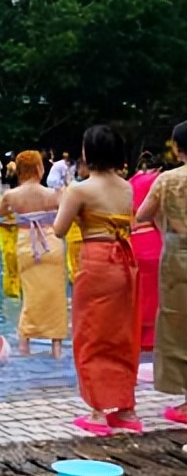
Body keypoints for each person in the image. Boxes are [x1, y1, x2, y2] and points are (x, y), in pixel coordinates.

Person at [54, 125, 139, 436]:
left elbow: (59, 230)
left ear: (88, 153)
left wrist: (66, 202)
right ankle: (126, 408)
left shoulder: (81, 189)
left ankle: (97, 412)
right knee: (121, 333)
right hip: (125, 262)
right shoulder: (127, 187)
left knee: (91, 332)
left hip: (97, 258)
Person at [134, 120, 187, 426]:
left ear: (177, 148)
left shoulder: (167, 181)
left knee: (177, 321)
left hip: (177, 254)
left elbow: (142, 214)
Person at [0, 151, 67, 358]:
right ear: (39, 168)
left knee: (28, 294)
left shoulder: (12, 195)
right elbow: (66, 212)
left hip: (27, 243)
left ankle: (24, 345)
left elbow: (0, 212)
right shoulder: (55, 193)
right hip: (51, 243)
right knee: (56, 296)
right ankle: (56, 347)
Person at [129, 157, 163, 351]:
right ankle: (152, 339)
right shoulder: (159, 180)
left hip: (133, 240)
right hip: (153, 239)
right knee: (156, 293)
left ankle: (137, 338)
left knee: (137, 292)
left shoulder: (129, 182)